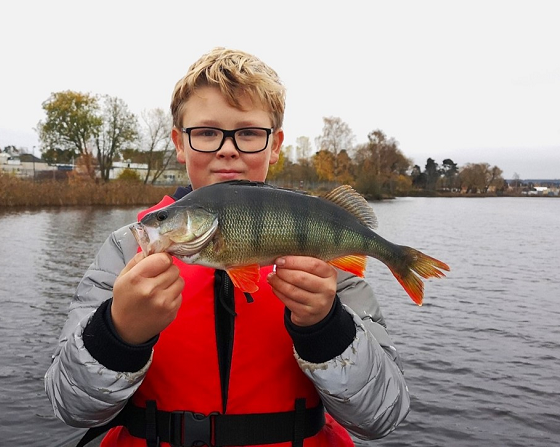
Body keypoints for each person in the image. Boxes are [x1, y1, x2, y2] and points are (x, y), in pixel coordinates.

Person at [45, 47, 410, 447]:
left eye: (249, 133)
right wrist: (118, 333)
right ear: (179, 143)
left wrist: (327, 327)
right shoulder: (123, 252)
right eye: (206, 132)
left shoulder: (324, 261)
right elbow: (70, 407)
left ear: (275, 145)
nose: (227, 149)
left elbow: (383, 416)